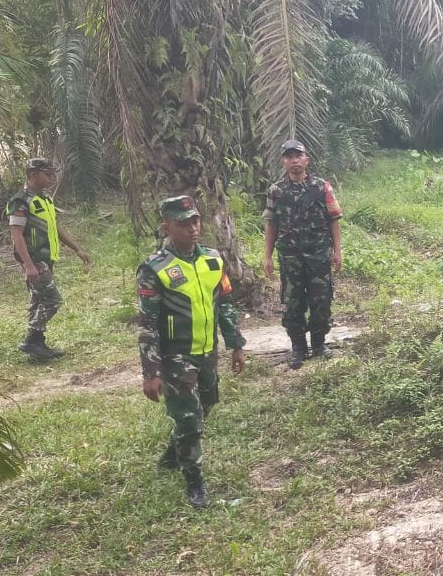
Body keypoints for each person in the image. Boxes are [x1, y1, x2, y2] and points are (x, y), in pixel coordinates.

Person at [136, 196, 246, 509]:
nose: (192, 228)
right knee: (188, 418)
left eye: (195, 221)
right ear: (167, 226)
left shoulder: (213, 259)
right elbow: (148, 324)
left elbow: (225, 304)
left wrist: (236, 344)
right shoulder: (154, 269)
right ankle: (195, 483)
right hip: (175, 355)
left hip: (207, 350)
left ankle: (173, 454)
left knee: (207, 403)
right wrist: (151, 372)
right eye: (183, 223)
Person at [262, 140, 342, 369]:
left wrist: (338, 251)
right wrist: (267, 256)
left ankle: (319, 344)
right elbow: (271, 224)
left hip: (318, 255)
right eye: (289, 157)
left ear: (307, 159)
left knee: (321, 301)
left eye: (298, 156)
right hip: (290, 258)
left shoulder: (322, 187)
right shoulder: (276, 191)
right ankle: (298, 348)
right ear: (283, 162)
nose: (294, 161)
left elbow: (334, 219)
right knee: (292, 304)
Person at [6, 157, 91, 361]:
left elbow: (56, 227)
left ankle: (38, 346)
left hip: (47, 258)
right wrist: (28, 265)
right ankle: (31, 340)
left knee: (38, 301)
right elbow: (16, 235)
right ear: (33, 175)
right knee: (52, 300)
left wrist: (77, 249)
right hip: (35, 260)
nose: (53, 178)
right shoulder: (20, 202)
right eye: (47, 174)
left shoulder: (45, 199)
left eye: (53, 174)